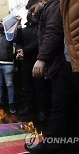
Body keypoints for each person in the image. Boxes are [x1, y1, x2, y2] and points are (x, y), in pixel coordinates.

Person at [24, 0, 79, 153]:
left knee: (63, 108)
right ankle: (58, 144)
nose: (33, 13)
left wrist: (42, 58)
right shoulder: (59, 5)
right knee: (62, 107)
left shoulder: (54, 7)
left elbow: (53, 31)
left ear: (42, 1)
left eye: (33, 8)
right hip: (68, 63)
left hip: (67, 63)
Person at [16, 13, 50, 121]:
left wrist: (23, 50)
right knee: (27, 87)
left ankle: (41, 111)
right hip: (25, 62)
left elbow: (37, 43)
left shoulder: (40, 28)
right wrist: (19, 50)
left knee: (40, 87)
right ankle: (28, 107)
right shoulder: (23, 30)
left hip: (37, 61)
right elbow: (18, 42)